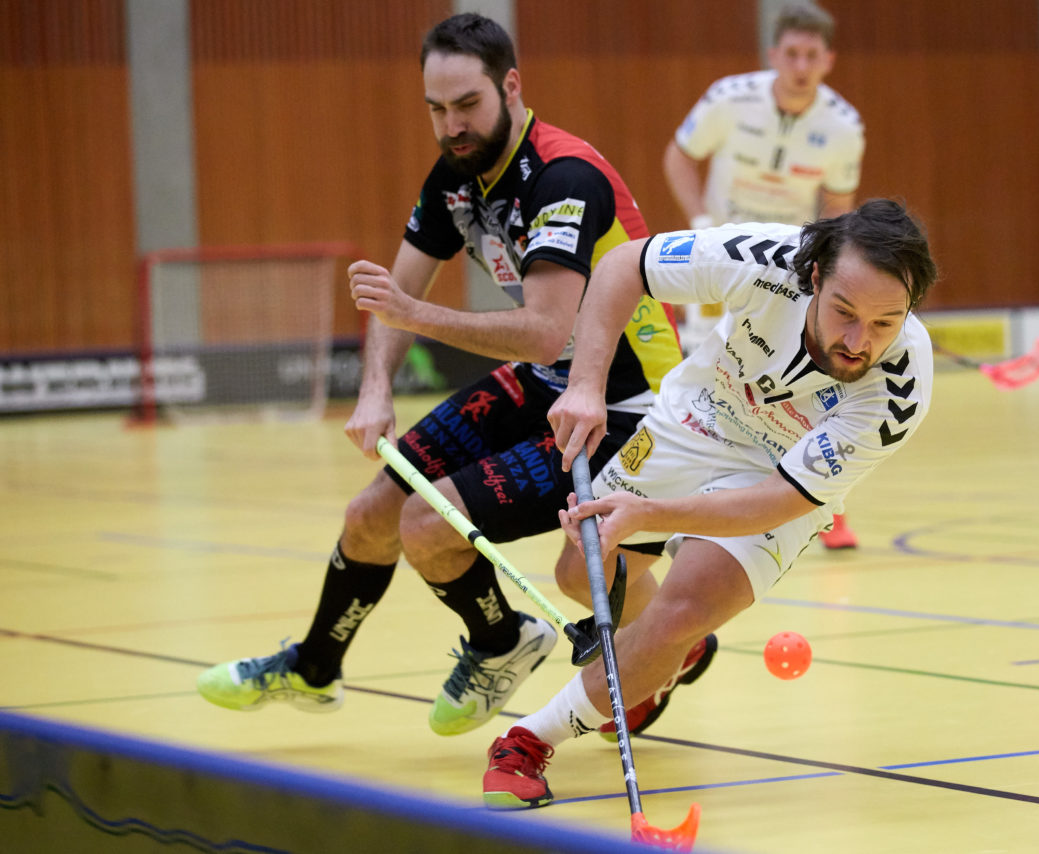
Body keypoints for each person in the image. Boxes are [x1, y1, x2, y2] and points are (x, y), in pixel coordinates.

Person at [195, 13, 716, 740]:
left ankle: (654, 641)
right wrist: (375, 386)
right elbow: (394, 297)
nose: (452, 126)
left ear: (511, 86)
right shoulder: (456, 177)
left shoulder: (563, 178)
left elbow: (544, 328)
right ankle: (318, 668)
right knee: (372, 513)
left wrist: (411, 314)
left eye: (467, 105)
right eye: (436, 110)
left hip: (629, 405)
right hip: (547, 382)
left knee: (510, 552)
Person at [479, 198, 938, 809]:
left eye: (884, 323)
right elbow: (623, 266)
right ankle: (676, 652)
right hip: (696, 421)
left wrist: (648, 517)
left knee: (676, 611)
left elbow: (776, 500)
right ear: (815, 276)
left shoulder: (900, 389)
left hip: (778, 475)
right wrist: (586, 385)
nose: (858, 342)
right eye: (844, 313)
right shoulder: (764, 257)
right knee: (582, 575)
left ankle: (528, 740)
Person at [663, 1, 866, 549]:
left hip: (791, 273)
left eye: (812, 55)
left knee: (810, 388)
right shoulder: (729, 99)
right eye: (792, 53)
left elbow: (839, 209)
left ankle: (827, 506)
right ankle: (692, 503)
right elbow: (679, 158)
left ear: (828, 60)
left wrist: (828, 272)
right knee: (706, 381)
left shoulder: (843, 127)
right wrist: (700, 222)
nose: (801, 65)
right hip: (716, 264)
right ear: (775, 54)